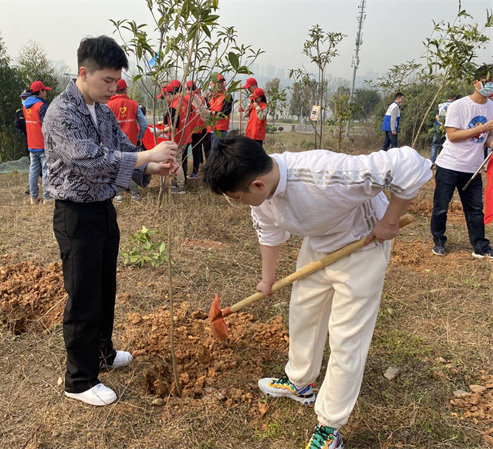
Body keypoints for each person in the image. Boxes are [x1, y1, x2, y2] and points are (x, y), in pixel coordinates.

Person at [202, 132, 431, 449]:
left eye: (236, 198)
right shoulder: (262, 193)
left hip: (362, 243)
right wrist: (267, 280)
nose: (235, 203)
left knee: (346, 337)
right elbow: (269, 230)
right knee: (304, 313)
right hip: (320, 242)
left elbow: (410, 164)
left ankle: (330, 425)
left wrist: (390, 221)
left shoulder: (325, 173)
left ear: (257, 185)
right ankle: (300, 383)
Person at [42, 35, 178, 407]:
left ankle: (102, 352)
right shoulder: (62, 112)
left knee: (104, 287)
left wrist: (152, 167)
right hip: (76, 214)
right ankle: (79, 380)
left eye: (116, 81)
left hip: (103, 209)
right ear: (83, 73)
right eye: (107, 80)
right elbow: (92, 160)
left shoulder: (101, 111)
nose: (113, 88)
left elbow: (124, 150)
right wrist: (148, 155)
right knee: (83, 294)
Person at [430, 64, 493, 258]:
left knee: (475, 209)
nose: (490, 86)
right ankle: (438, 241)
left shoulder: (491, 107)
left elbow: (487, 139)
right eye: (487, 82)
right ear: (475, 83)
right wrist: (482, 128)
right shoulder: (459, 106)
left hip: (472, 168)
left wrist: (491, 141)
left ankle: (480, 246)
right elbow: (452, 135)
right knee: (441, 207)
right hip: (449, 165)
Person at [107, 78, 148, 201]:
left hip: (115, 142)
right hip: (131, 141)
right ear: (125, 90)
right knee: (133, 164)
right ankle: (134, 193)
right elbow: (144, 124)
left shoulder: (108, 105)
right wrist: (139, 138)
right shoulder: (134, 104)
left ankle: (118, 194)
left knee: (117, 165)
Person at [155, 83, 189, 194]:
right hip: (185, 136)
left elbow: (174, 126)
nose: (165, 100)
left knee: (177, 161)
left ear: (169, 95)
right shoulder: (182, 102)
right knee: (178, 159)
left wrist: (160, 131)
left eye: (165, 97)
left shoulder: (173, 107)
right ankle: (176, 182)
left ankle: (180, 186)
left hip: (178, 138)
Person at [24, 80, 52, 204]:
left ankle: (33, 197)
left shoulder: (26, 106)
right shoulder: (41, 106)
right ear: (40, 91)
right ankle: (47, 197)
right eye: (45, 91)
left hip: (31, 144)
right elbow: (47, 126)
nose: (45, 93)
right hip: (42, 144)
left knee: (33, 171)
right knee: (46, 171)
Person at [209, 73, 233, 150]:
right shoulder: (212, 96)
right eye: (219, 82)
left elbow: (226, 113)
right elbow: (209, 108)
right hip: (212, 128)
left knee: (217, 151)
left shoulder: (226, 96)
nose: (221, 84)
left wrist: (211, 113)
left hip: (221, 129)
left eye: (222, 82)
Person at [430, 95, 457, 164]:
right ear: (454, 98)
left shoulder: (440, 105)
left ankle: (432, 161)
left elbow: (437, 116)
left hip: (438, 127)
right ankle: (441, 161)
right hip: (448, 128)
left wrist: (441, 123)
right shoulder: (454, 105)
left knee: (435, 145)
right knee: (444, 145)